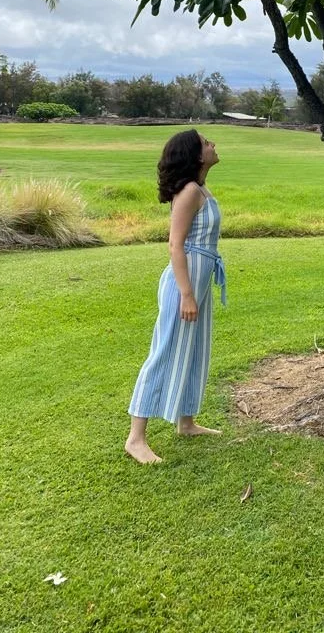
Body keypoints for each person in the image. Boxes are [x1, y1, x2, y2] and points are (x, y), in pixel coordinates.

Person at [125, 129, 226, 464]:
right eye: (206, 143)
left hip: (199, 281)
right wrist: (186, 294)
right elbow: (175, 244)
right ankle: (136, 439)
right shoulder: (188, 193)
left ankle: (186, 422)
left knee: (195, 350)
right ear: (196, 156)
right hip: (184, 285)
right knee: (165, 351)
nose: (213, 145)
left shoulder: (200, 189)